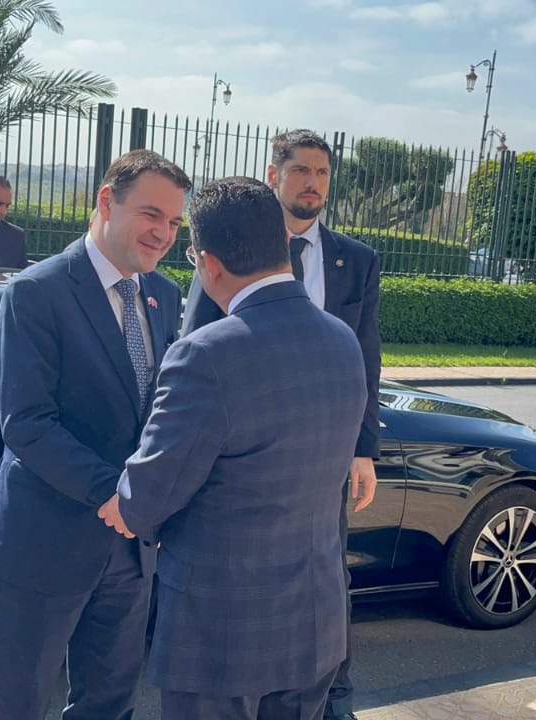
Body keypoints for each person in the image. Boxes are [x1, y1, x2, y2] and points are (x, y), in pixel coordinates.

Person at [99, 176, 367, 720]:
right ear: (283, 243)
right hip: (315, 623)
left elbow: (149, 497)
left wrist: (122, 503)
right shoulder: (342, 339)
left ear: (208, 264)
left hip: (221, 635)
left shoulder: (205, 354)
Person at [0, 149, 190, 720]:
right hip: (43, 545)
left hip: (130, 552)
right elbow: (26, 423)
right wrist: (115, 493)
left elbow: (160, 412)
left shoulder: (164, 296)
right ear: (106, 201)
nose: (164, 233)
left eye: (174, 222)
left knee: (109, 707)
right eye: (152, 214)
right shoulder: (37, 291)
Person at [180, 129, 382, 720]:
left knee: (324, 574)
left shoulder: (356, 260)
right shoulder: (233, 245)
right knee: (250, 577)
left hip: (322, 451)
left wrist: (363, 447)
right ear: (275, 176)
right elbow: (196, 340)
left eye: (322, 173)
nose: (312, 183)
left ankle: (333, 698)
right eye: (301, 171)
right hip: (245, 444)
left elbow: (366, 357)